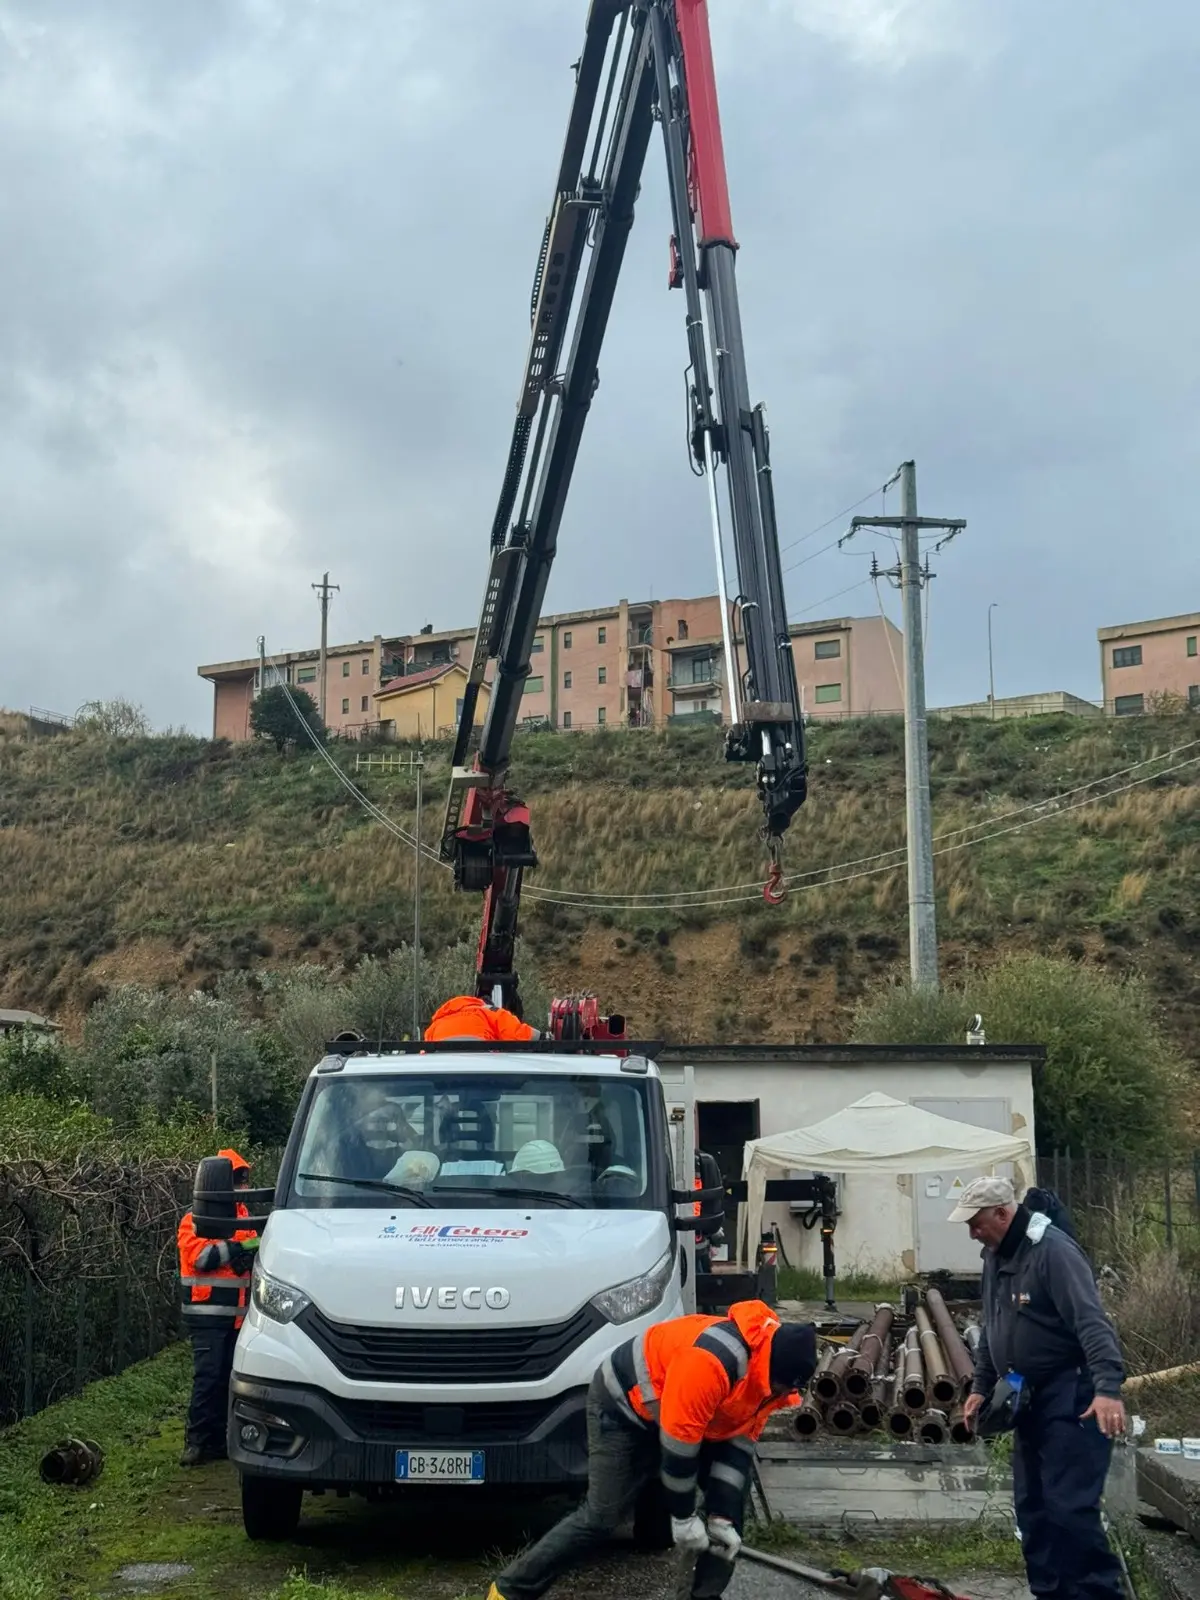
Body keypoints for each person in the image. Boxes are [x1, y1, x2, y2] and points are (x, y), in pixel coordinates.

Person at [486, 1300, 817, 1600]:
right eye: (781, 1386)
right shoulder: (712, 1362)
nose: (782, 1394)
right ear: (769, 1368)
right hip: (622, 1407)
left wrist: (722, 1517)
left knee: (722, 1510)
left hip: (682, 1415)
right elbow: (680, 1448)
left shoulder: (772, 1383)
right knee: (602, 1517)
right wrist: (685, 1517)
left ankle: (704, 1595)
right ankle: (510, 1590)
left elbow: (739, 1447)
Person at [951, 1176, 1126, 1600]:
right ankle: (1049, 1593)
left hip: (1073, 1394)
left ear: (1002, 1214)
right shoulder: (995, 1255)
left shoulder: (1053, 1252)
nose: (972, 1232)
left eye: (976, 1223)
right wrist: (981, 1386)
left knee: (1069, 1508)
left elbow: (1091, 1322)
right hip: (1026, 1397)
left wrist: (1107, 1389)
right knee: (1034, 1510)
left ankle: (1096, 1594)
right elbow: (995, 1326)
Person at [176, 1148, 259, 1467]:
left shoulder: (244, 1218)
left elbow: (252, 1252)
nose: (242, 1187)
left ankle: (218, 1441)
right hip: (207, 1315)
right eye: (236, 1180)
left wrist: (245, 1250)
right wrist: (239, 1247)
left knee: (228, 1379)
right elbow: (202, 1258)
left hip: (238, 1319)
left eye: (243, 1180)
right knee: (208, 1379)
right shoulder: (194, 1219)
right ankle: (196, 1442)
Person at [424, 994, 545, 1043]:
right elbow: (517, 1033)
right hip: (483, 1063)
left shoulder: (435, 1026)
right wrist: (542, 1037)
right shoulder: (489, 1012)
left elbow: (424, 1057)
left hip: (446, 1071)